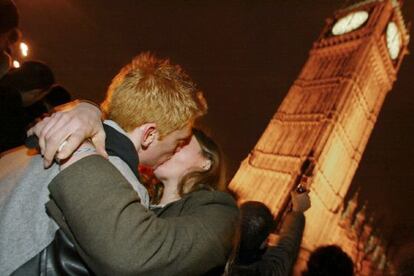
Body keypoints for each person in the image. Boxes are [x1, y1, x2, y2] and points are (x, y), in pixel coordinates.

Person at [0, 52, 210, 275]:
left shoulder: (28, 147)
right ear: (149, 134)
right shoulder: (120, 184)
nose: (176, 149)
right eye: (178, 141)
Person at [226, 192, 310, 275]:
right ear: (263, 244)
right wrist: (297, 211)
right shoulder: (262, 271)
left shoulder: (220, 257)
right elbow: (284, 255)